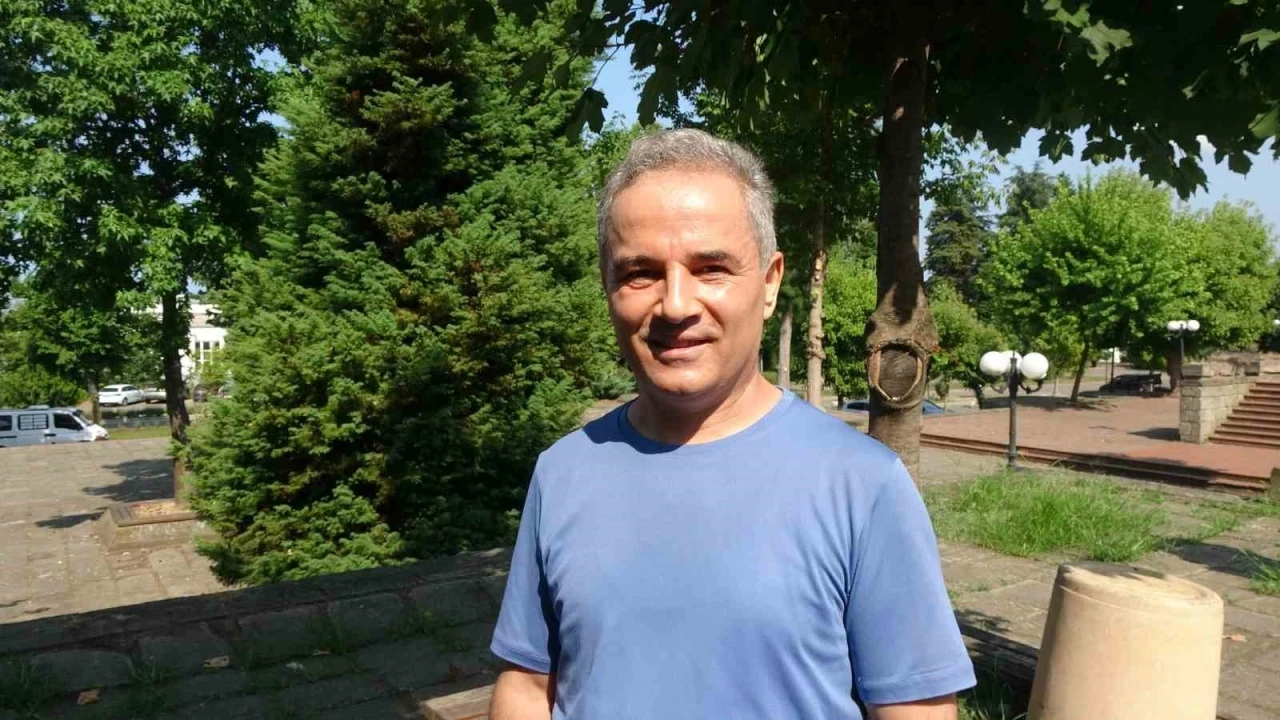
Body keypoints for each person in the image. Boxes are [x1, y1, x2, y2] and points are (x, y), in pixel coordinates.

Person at [489, 129, 974, 719]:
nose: (675, 304)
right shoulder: (563, 472)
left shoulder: (862, 485)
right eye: (640, 272)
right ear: (608, 287)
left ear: (769, 283)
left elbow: (916, 710)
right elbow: (526, 684)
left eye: (711, 268)